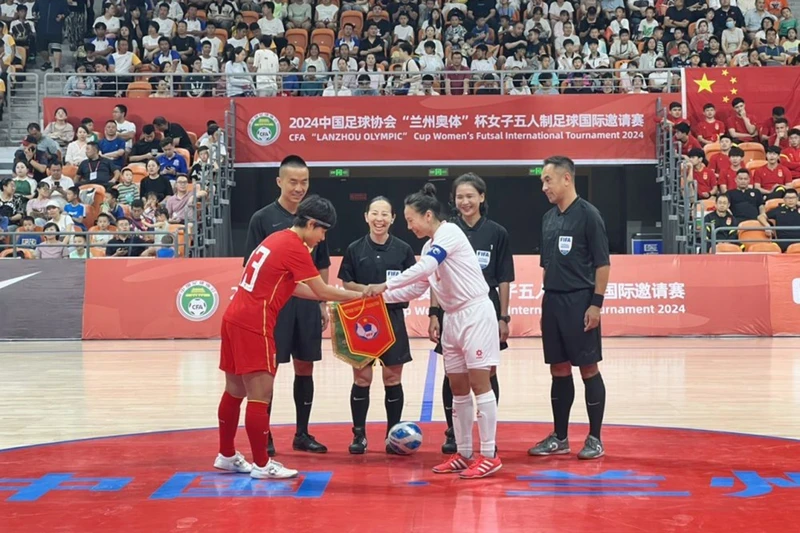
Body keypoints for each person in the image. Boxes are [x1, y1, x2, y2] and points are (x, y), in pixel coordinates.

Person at [216, 195, 364, 479]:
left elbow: (294, 288)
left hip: (234, 317)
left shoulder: (277, 238)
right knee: (260, 395)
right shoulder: (295, 247)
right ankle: (262, 465)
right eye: (323, 230)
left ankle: (226, 454)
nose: (323, 237)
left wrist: (344, 298)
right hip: (254, 322)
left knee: (234, 391)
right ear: (310, 224)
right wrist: (358, 296)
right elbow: (322, 291)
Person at [364, 184, 502, 479]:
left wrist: (385, 285)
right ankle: (464, 453)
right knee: (458, 388)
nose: (409, 225)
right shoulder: (428, 246)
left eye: (411, 219)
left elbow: (426, 266)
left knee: (480, 384)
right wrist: (375, 299)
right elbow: (417, 286)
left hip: (476, 312)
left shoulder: (449, 233)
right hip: (453, 318)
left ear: (428, 215)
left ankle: (489, 454)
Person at [243, 155, 330, 455]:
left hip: (307, 305)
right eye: (292, 182)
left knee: (305, 368)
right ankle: (263, 436)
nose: (298, 188)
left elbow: (322, 265)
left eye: (304, 182)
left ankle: (302, 434)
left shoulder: (315, 217)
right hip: (275, 307)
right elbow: (250, 266)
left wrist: (322, 303)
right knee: (269, 372)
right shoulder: (262, 219)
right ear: (279, 181)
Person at [529, 155, 610, 460]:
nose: (543, 187)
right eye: (542, 181)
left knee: (588, 368)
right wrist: (546, 304)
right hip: (553, 301)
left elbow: (603, 264)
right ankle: (560, 437)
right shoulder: (548, 219)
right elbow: (547, 266)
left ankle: (595, 438)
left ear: (566, 178)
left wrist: (595, 305)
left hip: (581, 302)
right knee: (558, 369)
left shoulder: (589, 215)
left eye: (547, 180)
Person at [430, 173, 513, 454]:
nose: (465, 202)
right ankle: (455, 435)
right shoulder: (446, 230)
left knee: (486, 373)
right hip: (451, 309)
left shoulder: (497, 232)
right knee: (452, 375)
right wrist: (433, 313)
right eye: (459, 197)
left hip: (482, 308)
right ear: (453, 201)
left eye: (470, 196)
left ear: (482, 197)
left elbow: (504, 278)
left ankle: (488, 440)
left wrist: (504, 317)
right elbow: (434, 274)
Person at [337, 196, 416, 454]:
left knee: (392, 378)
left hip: (392, 318)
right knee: (362, 379)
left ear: (393, 218)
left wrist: (386, 294)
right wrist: (368, 291)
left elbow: (413, 283)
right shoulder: (354, 249)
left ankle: (393, 436)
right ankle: (359, 435)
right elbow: (346, 283)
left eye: (385, 214)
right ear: (366, 216)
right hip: (362, 319)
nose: (379, 219)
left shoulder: (403, 249)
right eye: (375, 213)